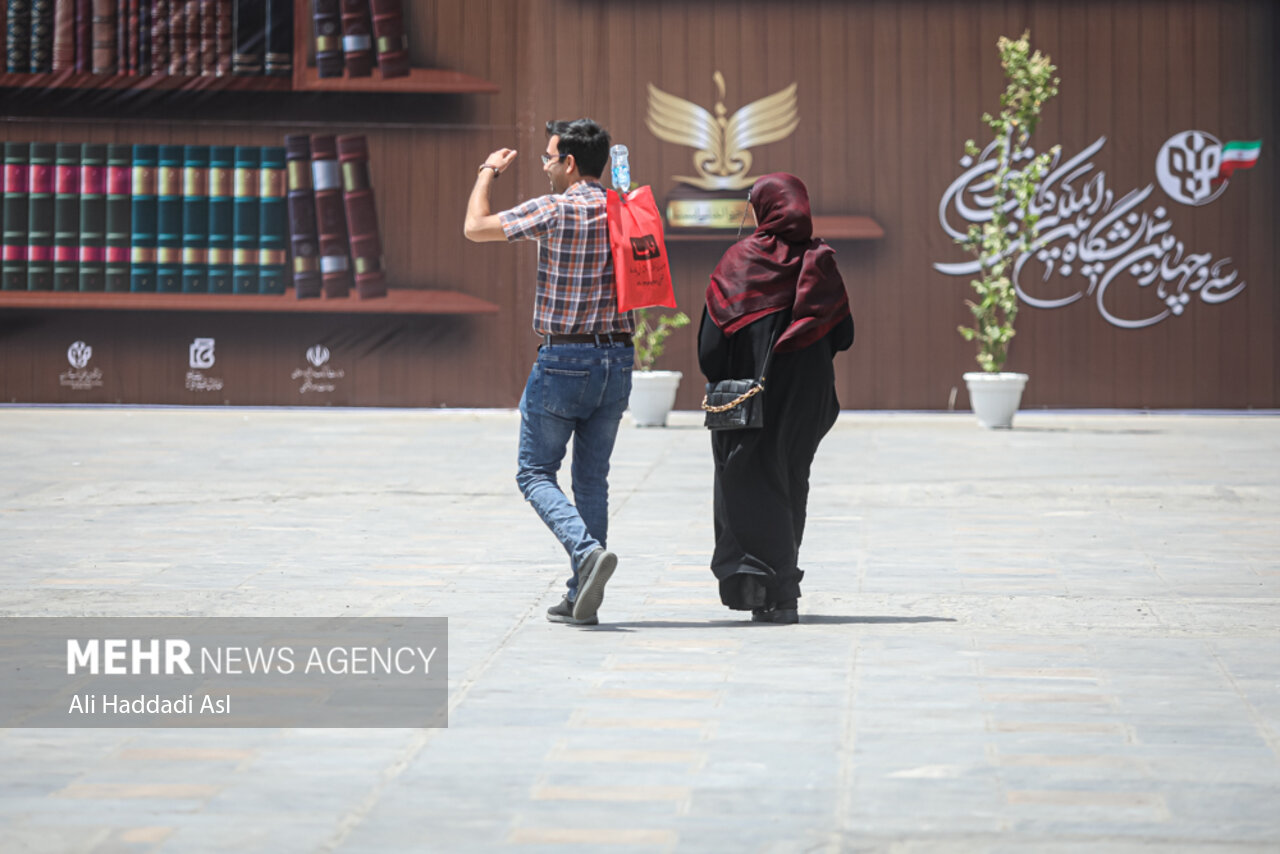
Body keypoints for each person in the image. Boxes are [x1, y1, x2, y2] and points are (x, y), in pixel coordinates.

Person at [463, 118, 633, 627]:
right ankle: (583, 593)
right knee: (592, 481)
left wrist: (487, 172)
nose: (544, 166)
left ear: (569, 163)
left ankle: (585, 554)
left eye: (548, 158)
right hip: (619, 358)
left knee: (534, 473)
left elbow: (475, 227)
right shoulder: (626, 210)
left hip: (565, 359)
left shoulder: (555, 209)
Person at [697, 173, 854, 625]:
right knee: (790, 482)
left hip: (749, 400)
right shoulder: (820, 261)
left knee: (750, 488)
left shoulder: (738, 261)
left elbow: (711, 351)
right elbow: (845, 335)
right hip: (808, 399)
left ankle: (764, 586)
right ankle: (783, 592)